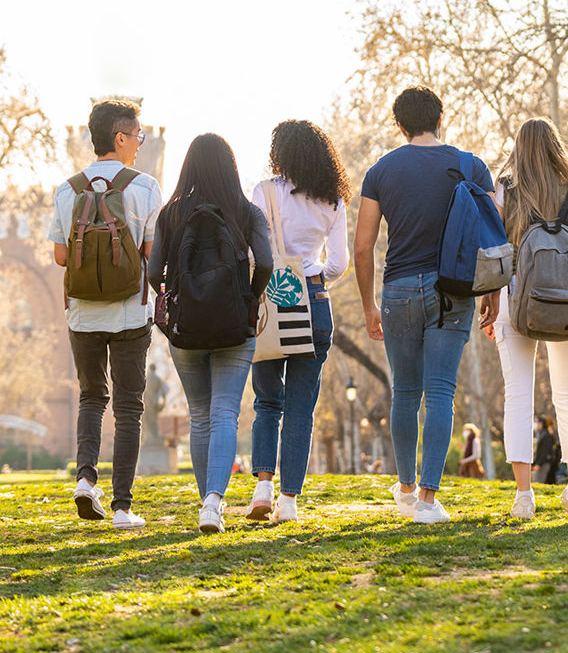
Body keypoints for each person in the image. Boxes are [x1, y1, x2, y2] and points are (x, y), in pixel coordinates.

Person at [354, 86, 496, 524]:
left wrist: (368, 305)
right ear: (441, 118)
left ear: (400, 124)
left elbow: (362, 248)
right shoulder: (471, 166)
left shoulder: (381, 171)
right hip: (453, 289)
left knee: (405, 392)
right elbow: (493, 236)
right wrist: (491, 293)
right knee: (440, 392)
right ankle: (429, 502)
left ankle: (405, 487)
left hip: (397, 289)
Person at [149, 133, 272, 534]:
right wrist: (249, 299)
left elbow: (152, 274)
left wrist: (174, 301)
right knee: (224, 414)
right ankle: (213, 504)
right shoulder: (246, 211)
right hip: (236, 326)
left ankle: (207, 505)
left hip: (186, 329)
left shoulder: (170, 214)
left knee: (199, 415)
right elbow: (266, 264)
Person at [478, 117, 568, 519]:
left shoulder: (506, 189)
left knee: (519, 396)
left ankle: (524, 496)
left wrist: (490, 301)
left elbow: (497, 253)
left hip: (517, 300)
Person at [50, 98, 164, 531]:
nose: (139, 142)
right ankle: (121, 508)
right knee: (129, 407)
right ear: (119, 137)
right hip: (131, 314)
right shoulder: (145, 187)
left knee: (91, 397)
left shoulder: (67, 189)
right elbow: (152, 254)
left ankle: (84, 479)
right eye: (137, 135)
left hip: (82, 314)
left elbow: (61, 256)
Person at [248, 120, 352, 523]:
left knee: (267, 400)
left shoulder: (265, 192)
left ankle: (261, 487)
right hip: (315, 300)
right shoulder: (334, 200)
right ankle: (288, 501)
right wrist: (313, 273)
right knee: (301, 407)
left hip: (273, 300)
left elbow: (255, 253)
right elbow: (339, 263)